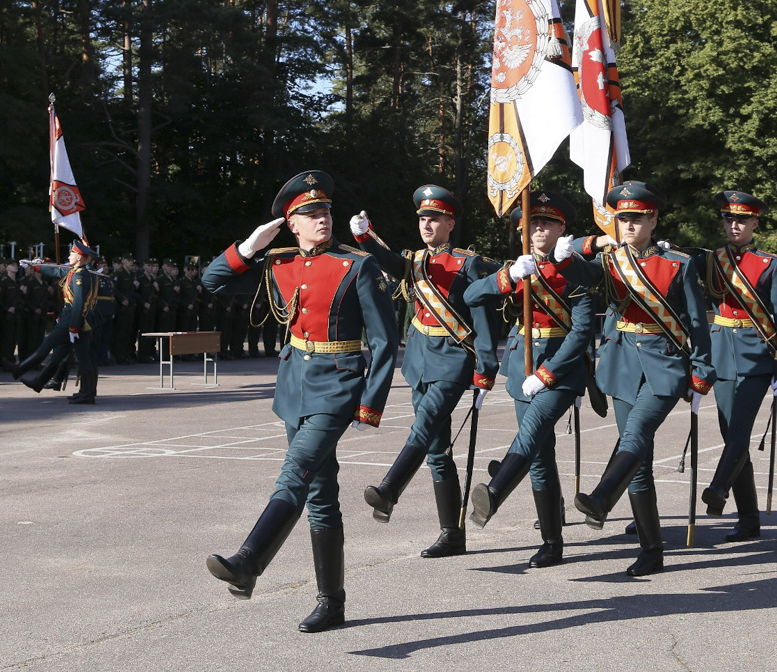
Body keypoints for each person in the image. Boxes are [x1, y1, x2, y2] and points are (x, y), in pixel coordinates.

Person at [203, 170, 397, 633]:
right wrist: (249, 247)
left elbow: (386, 341)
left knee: (295, 471)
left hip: (338, 386)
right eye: (310, 213)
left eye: (325, 210)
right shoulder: (278, 263)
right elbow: (211, 282)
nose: (322, 219)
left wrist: (369, 404)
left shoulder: (358, 265)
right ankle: (332, 603)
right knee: (319, 494)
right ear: (291, 223)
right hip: (294, 386)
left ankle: (249, 561)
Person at [554, 181, 716, 577]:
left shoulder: (678, 263)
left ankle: (603, 498)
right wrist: (563, 258)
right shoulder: (611, 261)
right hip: (622, 363)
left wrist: (702, 371)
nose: (627, 224)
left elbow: (697, 322)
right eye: (621, 218)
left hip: (664, 363)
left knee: (636, 436)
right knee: (638, 461)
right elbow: (587, 276)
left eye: (635, 217)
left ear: (653, 218)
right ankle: (651, 548)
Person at [348, 185, 499, 558]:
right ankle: (452, 533)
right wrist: (364, 236)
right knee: (436, 449)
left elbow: (482, 316)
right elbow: (385, 258)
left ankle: (389, 489)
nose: (426, 224)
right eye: (422, 219)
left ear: (450, 222)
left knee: (426, 423)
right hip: (418, 361)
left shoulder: (468, 263)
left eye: (434, 218)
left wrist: (486, 367)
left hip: (452, 360)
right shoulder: (413, 261)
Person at [462, 191, 599, 567]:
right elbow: (472, 295)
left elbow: (583, 330)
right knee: (540, 454)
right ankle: (552, 543)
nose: (540, 229)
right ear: (524, 229)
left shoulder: (578, 268)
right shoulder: (518, 267)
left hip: (564, 367)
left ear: (561, 229)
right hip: (522, 364)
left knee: (535, 428)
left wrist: (548, 373)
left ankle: (495, 491)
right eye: (533, 223)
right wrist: (506, 277)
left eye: (548, 223)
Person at [693, 191, 777, 542]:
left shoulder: (770, 264)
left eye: (741, 219)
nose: (733, 225)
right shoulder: (712, 260)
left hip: (756, 356)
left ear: (754, 223)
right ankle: (749, 519)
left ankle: (718, 489)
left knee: (738, 433)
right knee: (730, 437)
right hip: (722, 353)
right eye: (728, 219)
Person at [12, 240, 98, 403]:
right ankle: (87, 393)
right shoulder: (76, 271)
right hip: (76, 321)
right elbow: (57, 272)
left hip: (73, 321)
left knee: (48, 345)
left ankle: (19, 370)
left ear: (79, 257)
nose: (68, 256)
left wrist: (73, 326)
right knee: (82, 357)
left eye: (72, 253)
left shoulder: (80, 275)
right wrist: (36, 266)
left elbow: (78, 302)